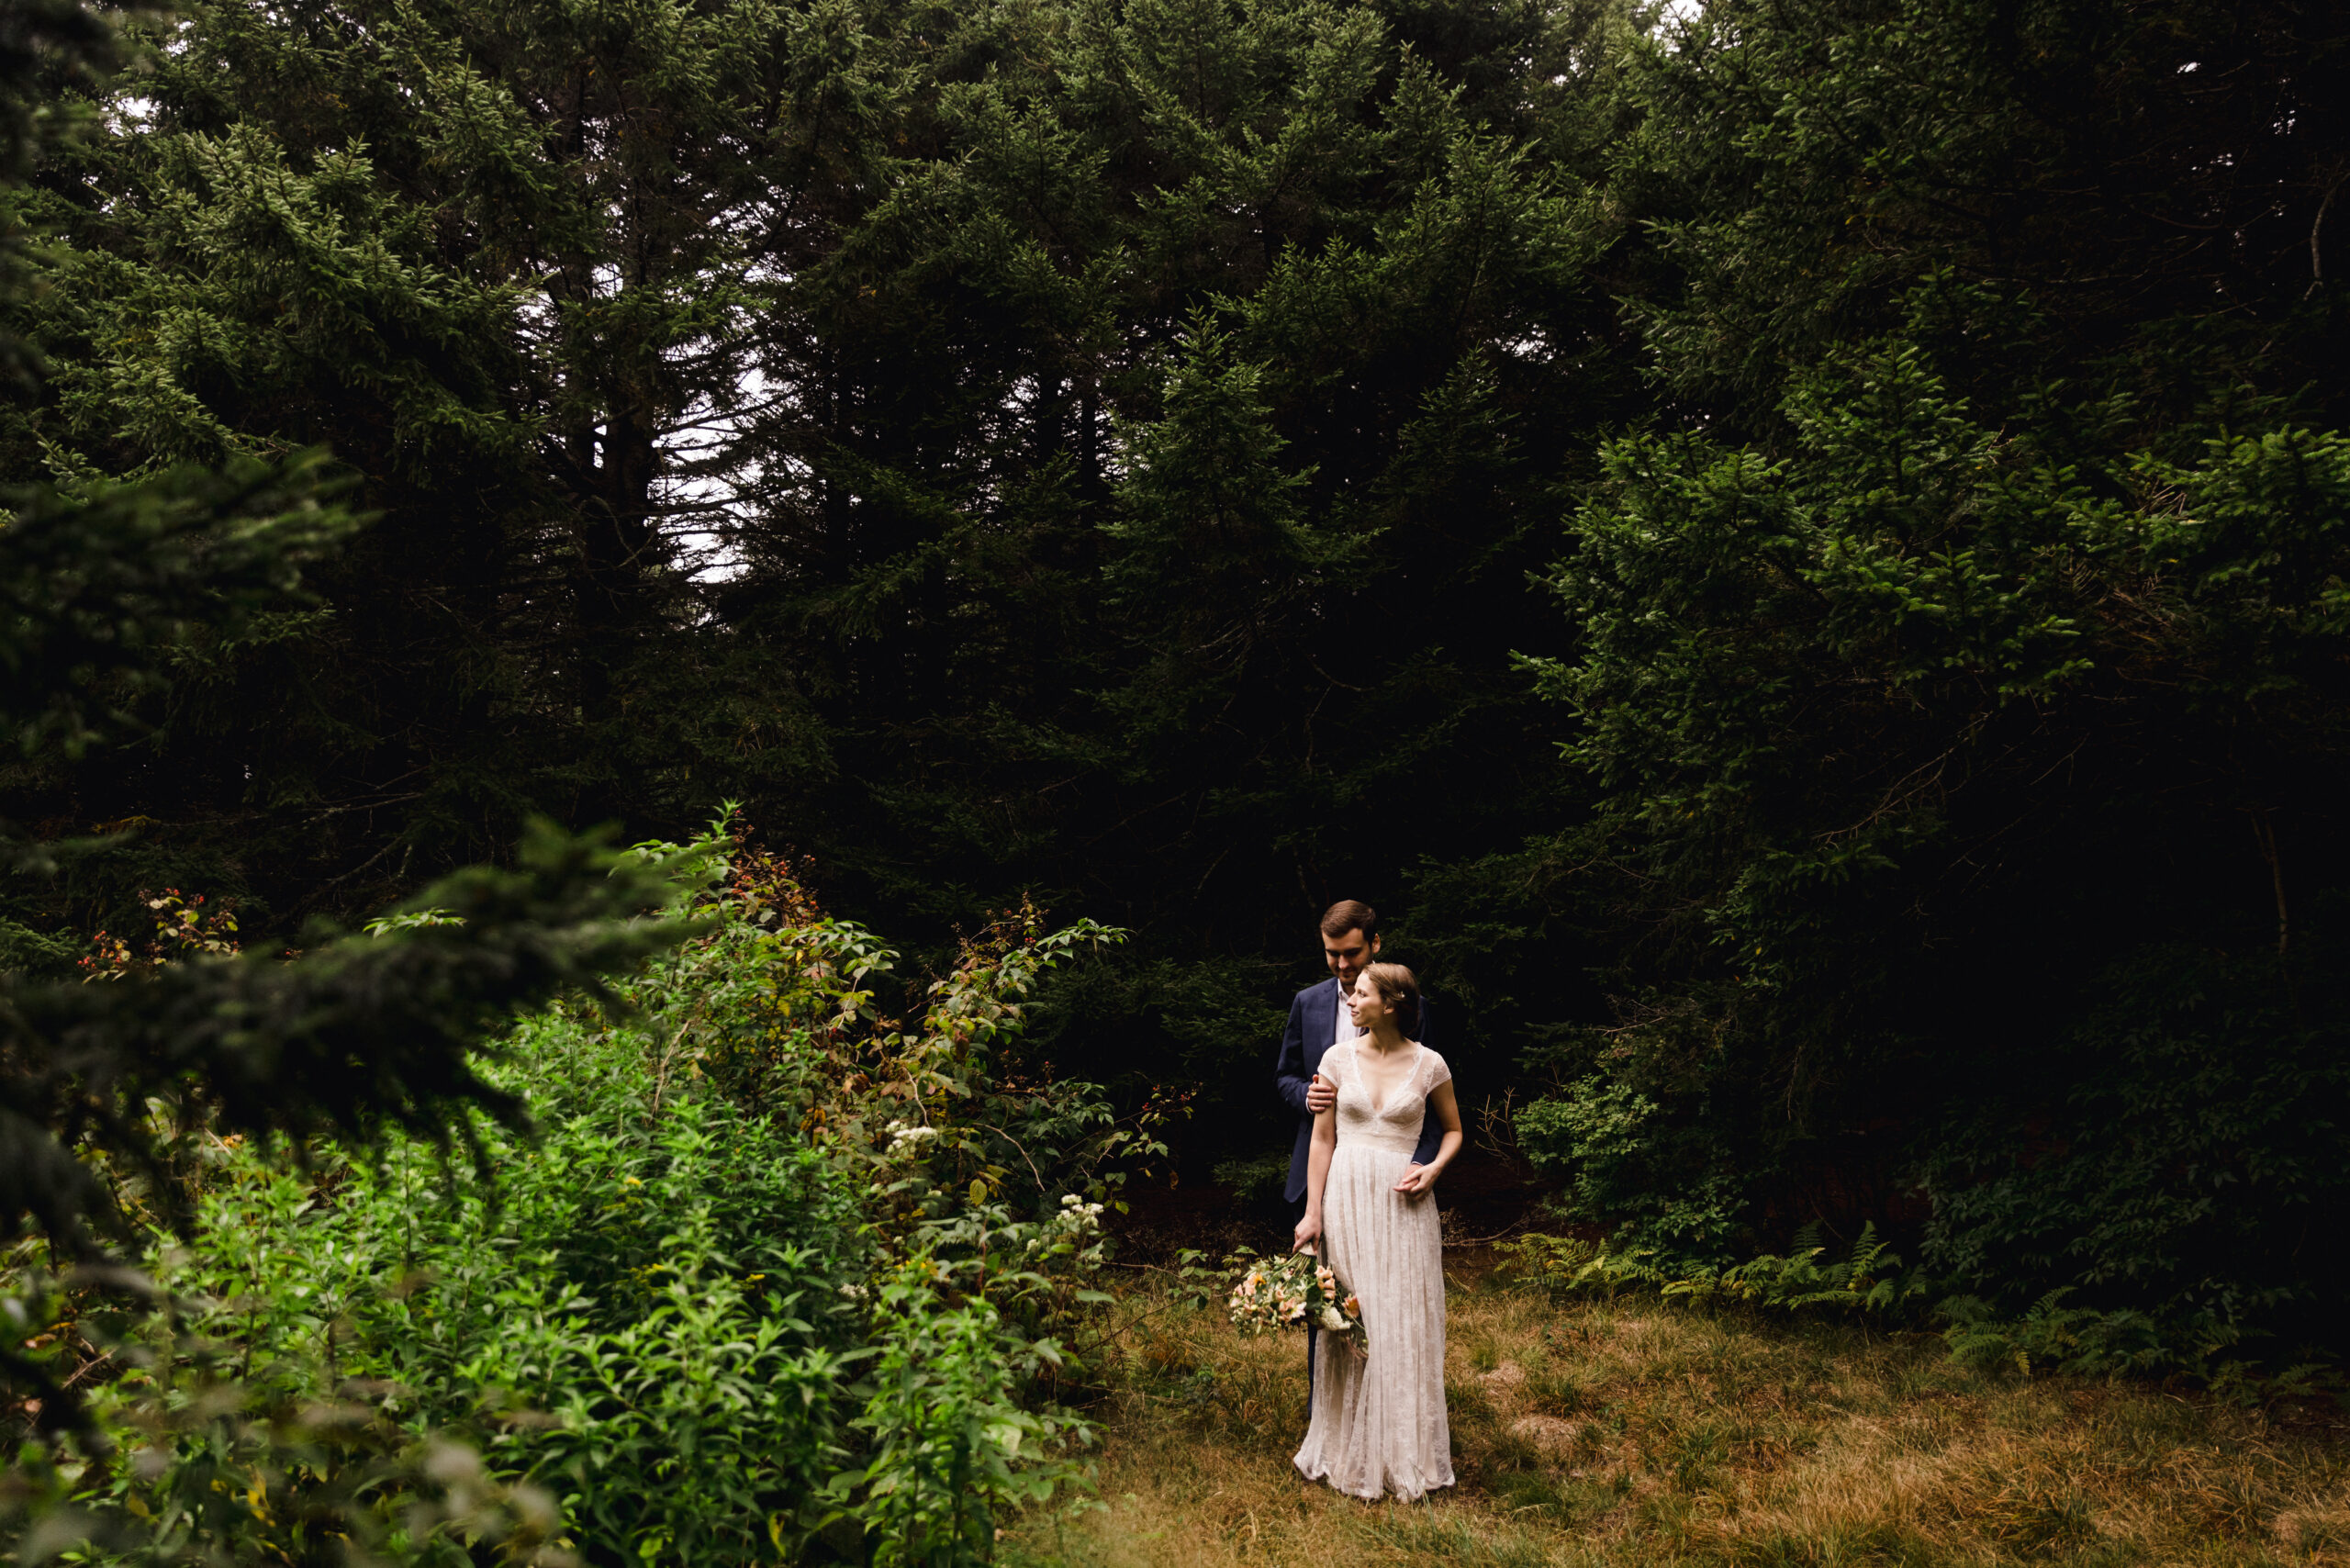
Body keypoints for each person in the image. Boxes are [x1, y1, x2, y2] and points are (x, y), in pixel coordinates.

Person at [1291, 962, 1460, 1501]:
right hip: (1346, 1198)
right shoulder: (1336, 1059)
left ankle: (1403, 1449)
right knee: (1353, 1321)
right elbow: (1322, 1140)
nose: (1350, 999)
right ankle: (1348, 1447)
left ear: (1390, 1004)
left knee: (1401, 1319)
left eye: (1360, 993)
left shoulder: (1431, 1064)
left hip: (1405, 1203)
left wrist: (1433, 1169)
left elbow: (1454, 1130)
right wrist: (1312, 1213)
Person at [1272, 902, 1445, 1395]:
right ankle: (1329, 1409)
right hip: (1325, 1170)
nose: (1342, 965)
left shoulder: (1410, 1005)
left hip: (1394, 1180)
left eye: (1351, 953)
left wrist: (1422, 1165)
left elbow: (1431, 1100)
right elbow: (1284, 1076)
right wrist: (1305, 1096)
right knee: (1328, 1297)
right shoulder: (1307, 1002)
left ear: (1375, 944)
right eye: (1333, 954)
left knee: (1391, 1298)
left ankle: (1392, 1406)